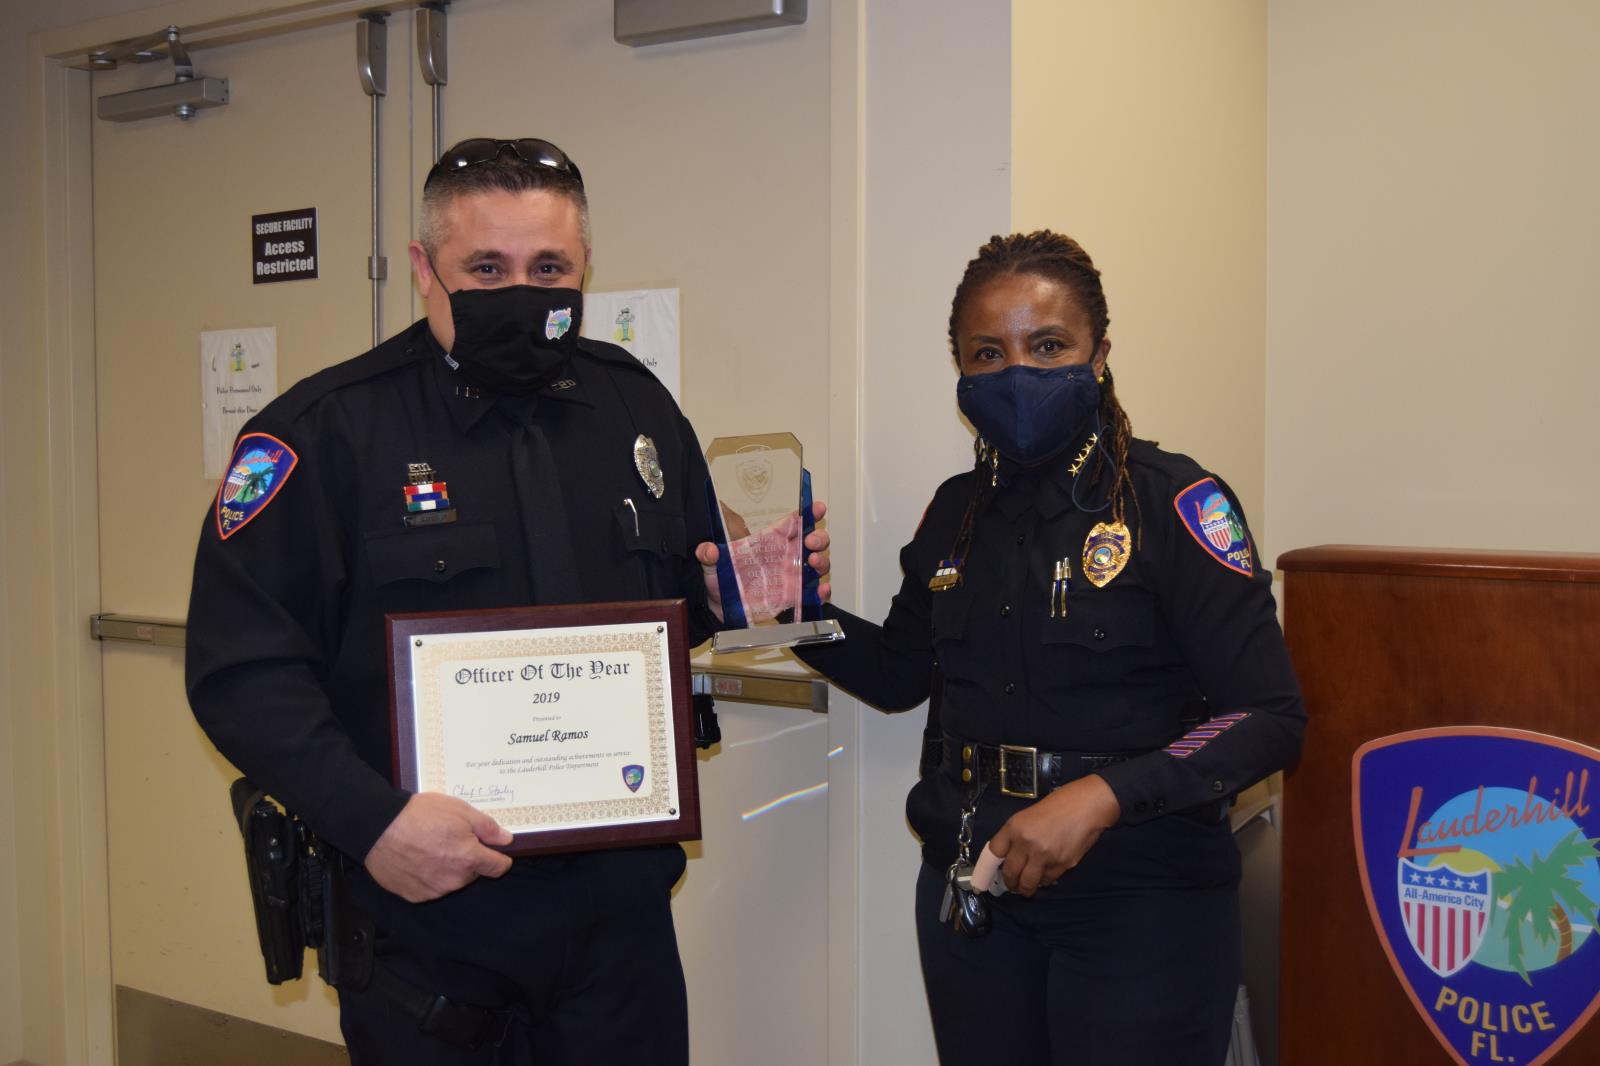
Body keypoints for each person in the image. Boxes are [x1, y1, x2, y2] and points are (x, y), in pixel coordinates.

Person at [186, 138, 827, 1064]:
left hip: (620, 930)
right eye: (486, 268)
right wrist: (371, 823)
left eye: (549, 268)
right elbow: (240, 671)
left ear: (584, 270)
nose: (521, 291)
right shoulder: (324, 433)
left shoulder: (635, 411)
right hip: (431, 932)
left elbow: (690, 597)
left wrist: (755, 588)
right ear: (424, 269)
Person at [789, 231, 1306, 1064]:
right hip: (973, 890)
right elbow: (896, 675)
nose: (1016, 372)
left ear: (1098, 355)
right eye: (987, 353)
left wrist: (1101, 796)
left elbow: (1270, 717)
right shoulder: (955, 511)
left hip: (1143, 894)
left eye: (1049, 346)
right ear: (959, 370)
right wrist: (781, 605)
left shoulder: (1174, 503)